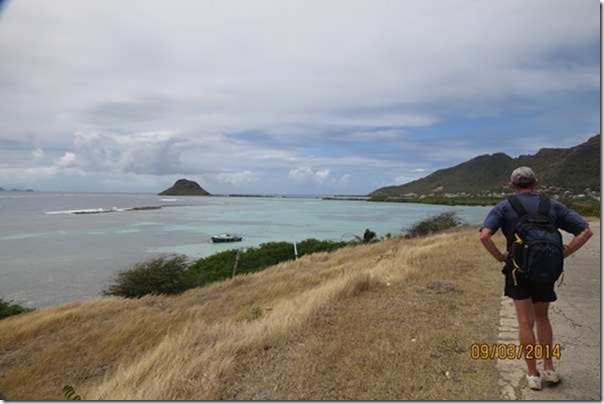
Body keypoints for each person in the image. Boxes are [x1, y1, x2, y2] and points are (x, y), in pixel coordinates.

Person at [479, 166, 593, 390]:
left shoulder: (505, 206)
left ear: (511, 185)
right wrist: (564, 252)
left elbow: (484, 236)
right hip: (546, 270)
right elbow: (586, 231)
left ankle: (532, 375)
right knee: (543, 319)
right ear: (536, 182)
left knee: (524, 322)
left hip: (517, 270)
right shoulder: (551, 205)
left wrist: (501, 257)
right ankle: (549, 369)